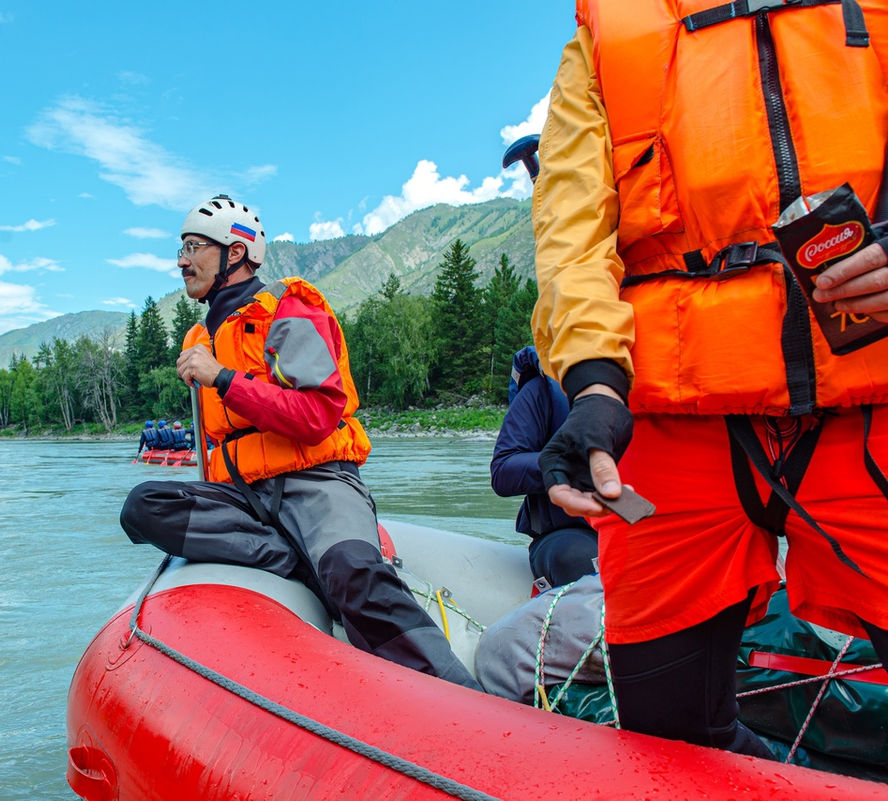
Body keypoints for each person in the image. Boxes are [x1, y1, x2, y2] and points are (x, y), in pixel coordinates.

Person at [531, 2, 888, 758]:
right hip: (674, 423)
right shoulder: (604, 38)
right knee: (668, 741)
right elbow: (571, 231)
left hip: (872, 403)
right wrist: (595, 385)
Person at [121, 194, 478, 689]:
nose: (181, 261)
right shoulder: (197, 338)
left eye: (192, 247)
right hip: (245, 496)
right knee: (145, 506)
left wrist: (223, 378)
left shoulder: (287, 308)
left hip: (316, 480)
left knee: (355, 572)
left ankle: (462, 695)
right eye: (180, 249)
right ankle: (299, 562)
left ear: (236, 252)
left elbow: (315, 416)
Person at [491, 346, 597, 590]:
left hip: (641, 528)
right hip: (569, 533)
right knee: (573, 557)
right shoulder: (541, 390)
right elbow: (503, 470)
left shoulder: (659, 386)